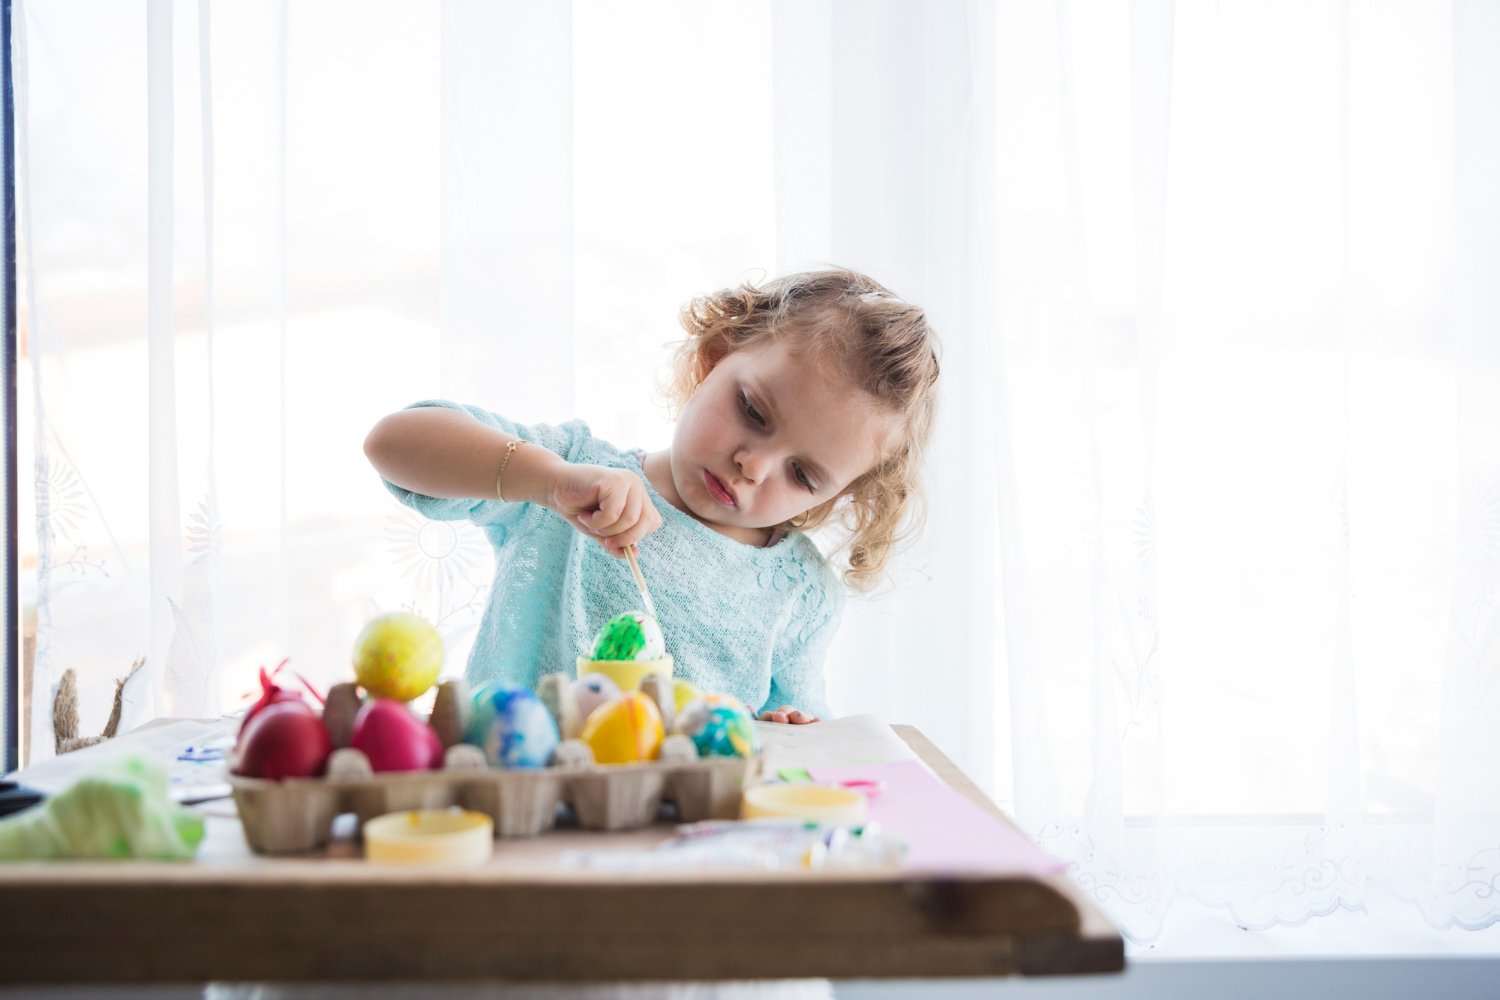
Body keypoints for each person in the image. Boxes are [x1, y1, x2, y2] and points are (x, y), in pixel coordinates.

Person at [363, 267, 940, 725]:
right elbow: (392, 444)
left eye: (803, 475)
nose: (753, 465)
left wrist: (786, 722)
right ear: (712, 358)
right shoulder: (573, 474)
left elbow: (799, 725)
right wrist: (545, 481)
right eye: (753, 411)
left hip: (674, 851)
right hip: (517, 813)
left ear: (835, 498)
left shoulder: (801, 592)